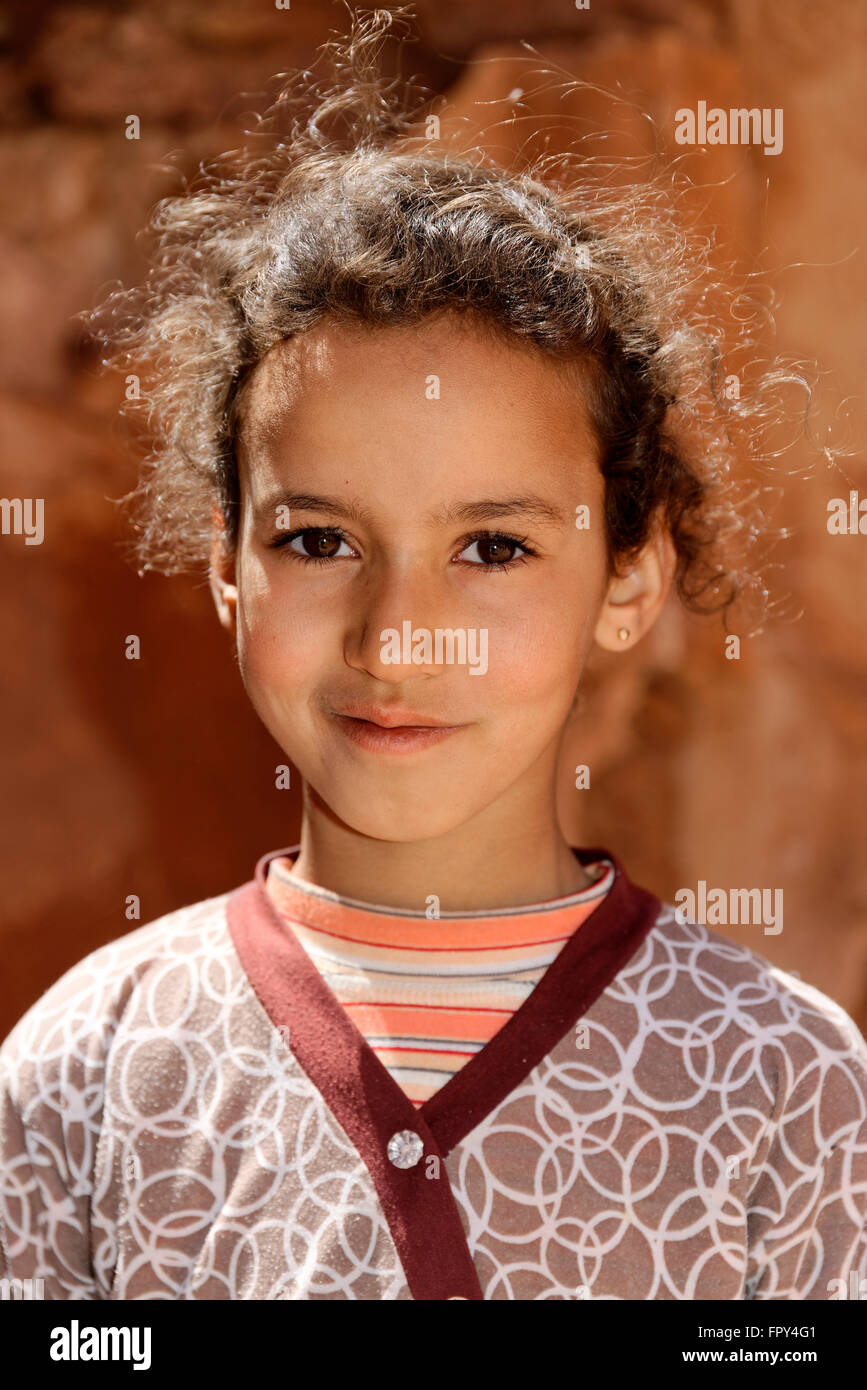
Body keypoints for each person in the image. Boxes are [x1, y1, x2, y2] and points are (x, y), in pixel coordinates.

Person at [1, 7, 865, 1301]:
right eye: (317, 541)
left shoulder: (782, 1083)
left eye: (495, 548)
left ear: (631, 577)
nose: (397, 633)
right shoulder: (89, 1068)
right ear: (225, 569)